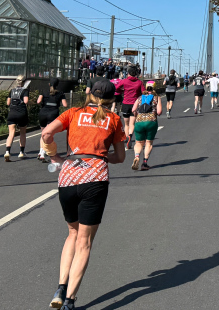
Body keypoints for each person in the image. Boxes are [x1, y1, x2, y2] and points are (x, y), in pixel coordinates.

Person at [42, 79, 126, 310]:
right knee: (85, 242)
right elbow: (120, 157)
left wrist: (54, 156)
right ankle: (70, 300)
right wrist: (99, 156)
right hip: (95, 179)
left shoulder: (73, 113)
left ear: (89, 93)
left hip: (68, 177)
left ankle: (60, 288)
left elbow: (47, 133)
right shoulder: (114, 119)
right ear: (112, 99)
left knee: (72, 233)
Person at [131, 82, 162, 171]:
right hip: (151, 122)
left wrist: (137, 115)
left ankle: (137, 156)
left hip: (139, 122)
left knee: (138, 142)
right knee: (148, 142)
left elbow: (133, 109)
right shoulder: (157, 97)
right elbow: (159, 112)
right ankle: (144, 163)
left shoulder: (140, 98)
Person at [37, 77, 68, 162]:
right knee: (48, 134)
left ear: (49, 84)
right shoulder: (60, 93)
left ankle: (41, 152)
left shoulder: (44, 91)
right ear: (57, 85)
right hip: (53, 114)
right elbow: (65, 105)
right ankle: (43, 152)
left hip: (43, 113)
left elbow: (38, 101)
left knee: (43, 133)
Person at [117, 66, 145, 148]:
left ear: (128, 73)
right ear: (136, 73)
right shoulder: (139, 82)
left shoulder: (124, 81)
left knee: (126, 124)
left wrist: (122, 91)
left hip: (125, 103)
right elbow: (144, 92)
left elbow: (116, 88)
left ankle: (127, 139)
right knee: (132, 123)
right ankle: (130, 136)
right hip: (135, 104)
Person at [4, 75, 30, 161]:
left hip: (12, 113)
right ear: (24, 82)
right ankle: (21, 152)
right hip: (21, 113)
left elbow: (8, 103)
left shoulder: (12, 90)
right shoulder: (25, 90)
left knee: (11, 133)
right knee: (22, 133)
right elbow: (25, 101)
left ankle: (7, 152)